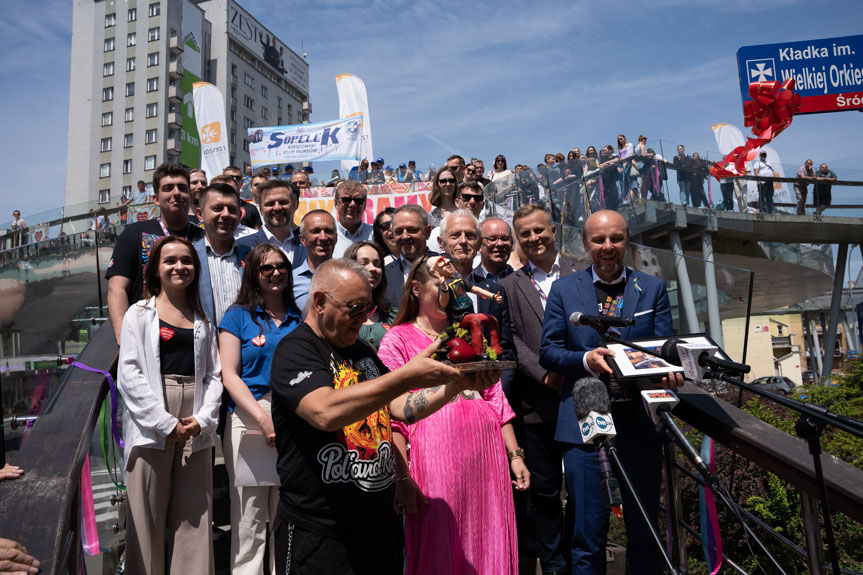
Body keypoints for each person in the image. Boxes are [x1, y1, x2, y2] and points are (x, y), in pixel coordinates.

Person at [268, 259, 500, 574]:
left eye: (368, 308)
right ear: (320, 302)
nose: (363, 318)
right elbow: (324, 412)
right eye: (354, 309)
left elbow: (400, 407)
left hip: (378, 527)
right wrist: (404, 375)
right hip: (321, 531)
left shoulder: (362, 351)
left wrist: (455, 385)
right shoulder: (296, 350)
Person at [539, 210, 683, 574]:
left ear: (627, 240)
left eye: (616, 239)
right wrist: (586, 359)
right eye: (599, 240)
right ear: (585, 244)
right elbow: (549, 352)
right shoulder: (564, 289)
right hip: (584, 424)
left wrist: (668, 372)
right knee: (587, 537)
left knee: (645, 532)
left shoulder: (651, 288)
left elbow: (664, 349)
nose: (607, 247)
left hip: (639, 425)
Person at [378, 255, 527, 575]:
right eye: (440, 284)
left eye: (452, 284)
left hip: (486, 454)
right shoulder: (397, 338)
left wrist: (515, 454)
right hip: (434, 454)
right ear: (416, 289)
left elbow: (494, 395)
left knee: (489, 534)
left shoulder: (468, 332)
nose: (448, 290)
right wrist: (402, 477)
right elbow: (391, 415)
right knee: (443, 538)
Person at [117, 236, 222, 575]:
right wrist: (164, 423)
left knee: (195, 515)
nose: (179, 267)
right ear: (156, 269)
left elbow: (214, 375)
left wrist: (203, 419)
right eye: (170, 261)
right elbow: (129, 373)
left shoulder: (203, 319)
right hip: (152, 416)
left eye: (187, 261)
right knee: (145, 515)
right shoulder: (138, 314)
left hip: (194, 413)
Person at [499, 204, 588, 574]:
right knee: (546, 492)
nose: (534, 239)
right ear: (518, 240)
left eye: (539, 231)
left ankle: (581, 557)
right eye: (525, 234)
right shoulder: (510, 285)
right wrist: (545, 376)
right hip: (537, 403)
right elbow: (514, 341)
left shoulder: (582, 273)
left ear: (552, 230)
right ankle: (554, 566)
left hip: (583, 399)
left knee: (585, 490)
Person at [219, 244, 302, 575]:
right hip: (249, 416)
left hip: (293, 417)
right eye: (266, 268)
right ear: (253, 273)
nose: (275, 273)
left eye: (280, 266)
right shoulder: (236, 316)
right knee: (249, 515)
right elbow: (229, 374)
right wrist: (262, 419)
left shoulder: (300, 318)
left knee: (287, 511)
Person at [106, 164, 205, 343]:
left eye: (182, 188)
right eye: (168, 188)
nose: (176, 193)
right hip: (147, 335)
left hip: (197, 331)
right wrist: (123, 338)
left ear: (190, 197)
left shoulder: (203, 236)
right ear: (156, 199)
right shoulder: (134, 233)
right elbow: (117, 288)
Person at [192, 183, 249, 326]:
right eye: (217, 208)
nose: (226, 214)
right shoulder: (187, 258)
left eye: (232, 209)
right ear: (200, 214)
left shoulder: (252, 256)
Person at [238, 180, 306, 267]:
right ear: (261, 210)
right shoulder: (243, 245)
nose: (277, 208)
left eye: (283, 202)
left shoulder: (307, 245)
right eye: (270, 203)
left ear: (294, 205)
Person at [344, 241, 398, 349]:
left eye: (377, 264)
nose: (372, 268)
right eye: (363, 264)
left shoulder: (395, 316)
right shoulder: (339, 314)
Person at [383, 205, 434, 309]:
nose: (405, 236)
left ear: (427, 232)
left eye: (412, 230)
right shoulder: (384, 275)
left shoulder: (445, 266)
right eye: (399, 231)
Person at [292, 210, 337, 312]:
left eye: (328, 231)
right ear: (302, 239)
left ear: (336, 238)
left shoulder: (347, 277)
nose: (323, 237)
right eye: (315, 231)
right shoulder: (290, 281)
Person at [332, 180, 373, 258]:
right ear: (336, 203)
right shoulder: (327, 237)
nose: (352, 204)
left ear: (365, 205)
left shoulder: (376, 235)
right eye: (346, 200)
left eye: (358, 201)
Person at [474, 217, 514, 282]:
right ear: (479, 245)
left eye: (505, 239)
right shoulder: (469, 281)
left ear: (512, 243)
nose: (500, 244)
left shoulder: (524, 281)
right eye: (492, 239)